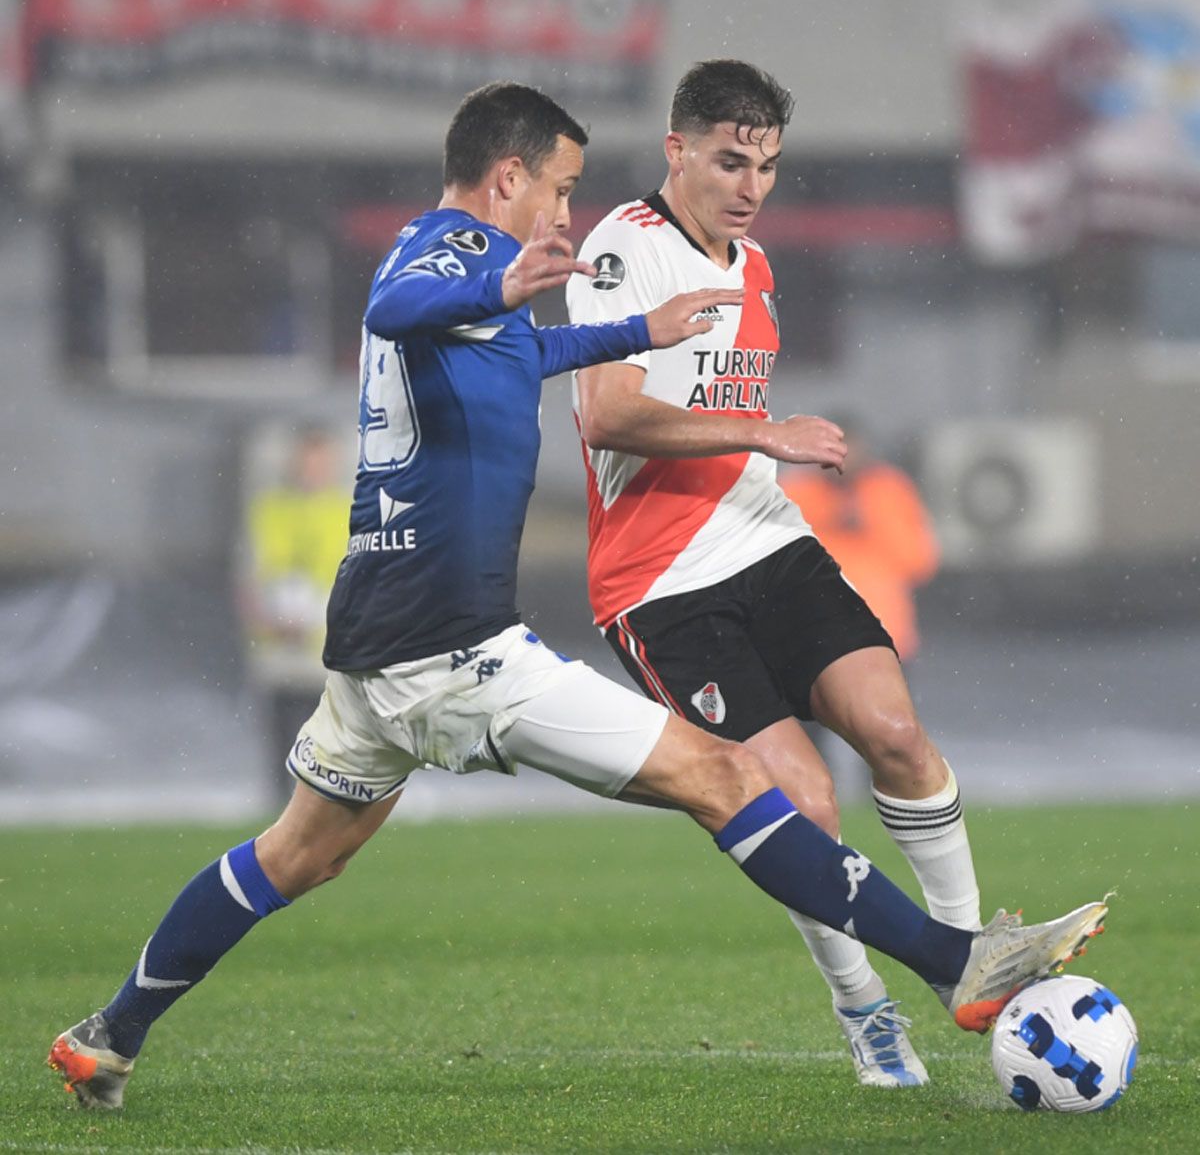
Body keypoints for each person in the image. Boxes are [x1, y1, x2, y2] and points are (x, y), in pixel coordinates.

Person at [48, 81, 1108, 1111]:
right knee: (733, 778)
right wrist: (503, 286)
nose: (564, 213)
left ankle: (110, 1032)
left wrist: (636, 332)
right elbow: (396, 305)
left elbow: (530, 349)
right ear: (507, 175)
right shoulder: (451, 254)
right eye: (557, 188)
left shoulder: (464, 274)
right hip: (458, 652)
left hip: (376, 646)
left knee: (296, 852)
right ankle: (952, 962)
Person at [566, 60, 982, 1088]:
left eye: (768, 166)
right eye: (729, 161)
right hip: (661, 583)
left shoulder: (752, 264)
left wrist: (760, 446)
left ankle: (973, 960)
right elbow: (605, 413)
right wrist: (765, 432)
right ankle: (864, 1006)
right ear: (676, 150)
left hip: (768, 542)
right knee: (801, 802)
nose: (751, 185)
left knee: (896, 734)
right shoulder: (624, 247)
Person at [240, 424, 349, 803]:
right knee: (282, 736)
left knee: (330, 738)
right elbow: (248, 573)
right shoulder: (271, 510)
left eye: (321, 462)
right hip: (278, 645)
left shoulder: (349, 511)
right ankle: (282, 807)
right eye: (308, 462)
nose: (314, 470)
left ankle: (326, 804)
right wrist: (267, 620)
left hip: (328, 648)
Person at [779, 416, 940, 664]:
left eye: (849, 447)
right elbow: (776, 565)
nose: (844, 457)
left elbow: (920, 562)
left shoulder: (889, 491)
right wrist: (827, 519)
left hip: (883, 638)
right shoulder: (796, 491)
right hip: (811, 638)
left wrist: (871, 523)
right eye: (833, 448)